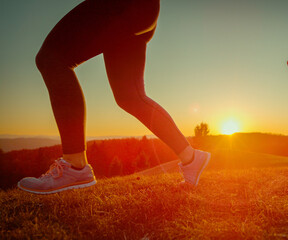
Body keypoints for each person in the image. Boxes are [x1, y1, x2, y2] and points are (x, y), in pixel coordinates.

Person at [17, 0, 210, 194]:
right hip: (143, 11)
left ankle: (75, 166)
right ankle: (191, 157)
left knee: (52, 58)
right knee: (130, 96)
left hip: (120, 6)